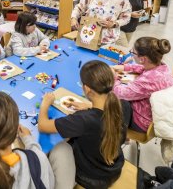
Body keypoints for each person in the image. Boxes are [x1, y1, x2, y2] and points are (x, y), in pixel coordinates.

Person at [38, 60, 128, 189]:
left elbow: (43, 125)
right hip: (113, 169)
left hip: (92, 178)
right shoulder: (121, 105)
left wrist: (45, 104)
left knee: (60, 147)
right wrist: (90, 105)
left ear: (86, 89)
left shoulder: (83, 120)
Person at [112, 37, 173, 132]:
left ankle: (117, 135)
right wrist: (124, 67)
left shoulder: (149, 80)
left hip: (142, 122)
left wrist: (114, 77)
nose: (132, 54)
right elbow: (143, 67)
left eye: (133, 53)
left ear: (142, 59)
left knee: (111, 99)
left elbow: (119, 93)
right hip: (156, 115)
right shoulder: (162, 67)